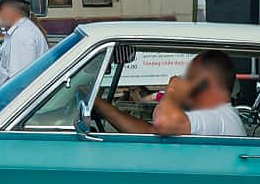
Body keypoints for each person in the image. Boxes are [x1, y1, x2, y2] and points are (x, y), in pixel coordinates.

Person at [92, 50, 244, 137]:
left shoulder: (217, 117)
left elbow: (162, 123)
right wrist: (101, 105)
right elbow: (150, 131)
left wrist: (172, 91)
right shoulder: (219, 115)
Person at [0, 0, 46, 88]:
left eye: (0, 9)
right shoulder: (23, 30)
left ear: (10, 9)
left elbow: (20, 81)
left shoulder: (21, 35)